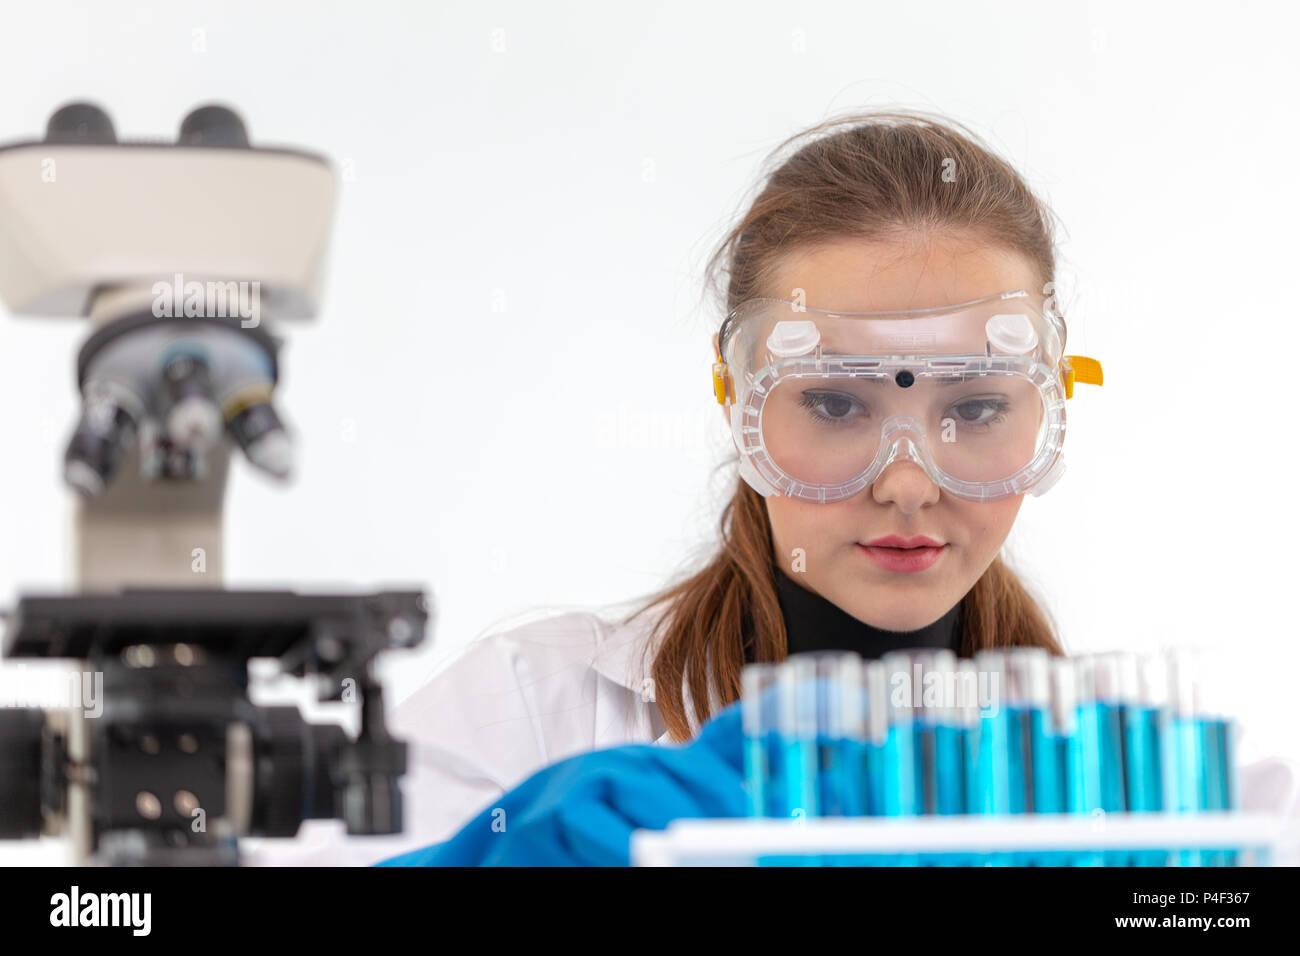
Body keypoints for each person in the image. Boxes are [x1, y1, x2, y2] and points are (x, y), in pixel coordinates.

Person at [245, 109, 1300, 867]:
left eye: (974, 409)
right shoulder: (538, 714)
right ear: (739, 401)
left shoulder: (1148, 790)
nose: (905, 483)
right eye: (836, 405)